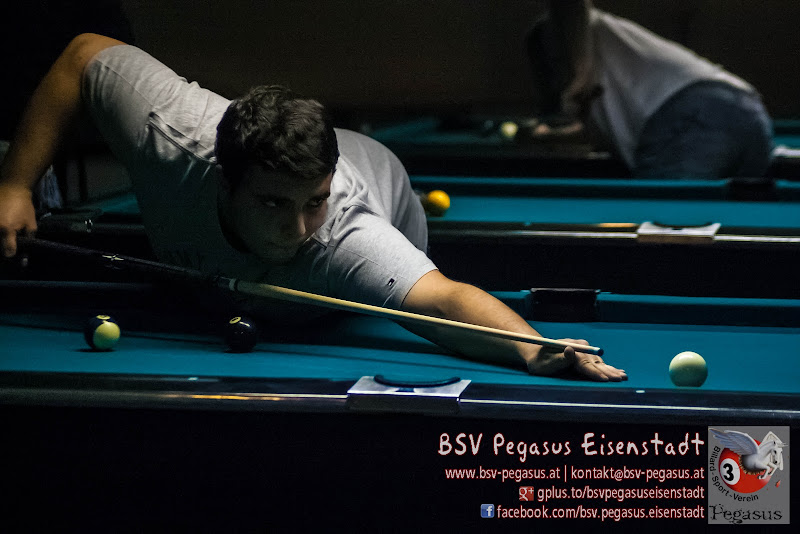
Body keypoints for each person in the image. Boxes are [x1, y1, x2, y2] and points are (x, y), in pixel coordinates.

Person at [0, 33, 626, 382]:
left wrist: (530, 348)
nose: (296, 228)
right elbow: (83, 56)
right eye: (273, 202)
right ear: (225, 181)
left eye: (312, 203)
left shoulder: (345, 235)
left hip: (383, 180)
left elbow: (442, 302)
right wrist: (15, 186)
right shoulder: (172, 137)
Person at [526, 0, 773, 179]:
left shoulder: (571, 32)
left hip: (693, 115)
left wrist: (579, 75)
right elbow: (588, 135)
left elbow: (568, 8)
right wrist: (547, 134)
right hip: (750, 114)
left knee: (659, 223)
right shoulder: (598, 93)